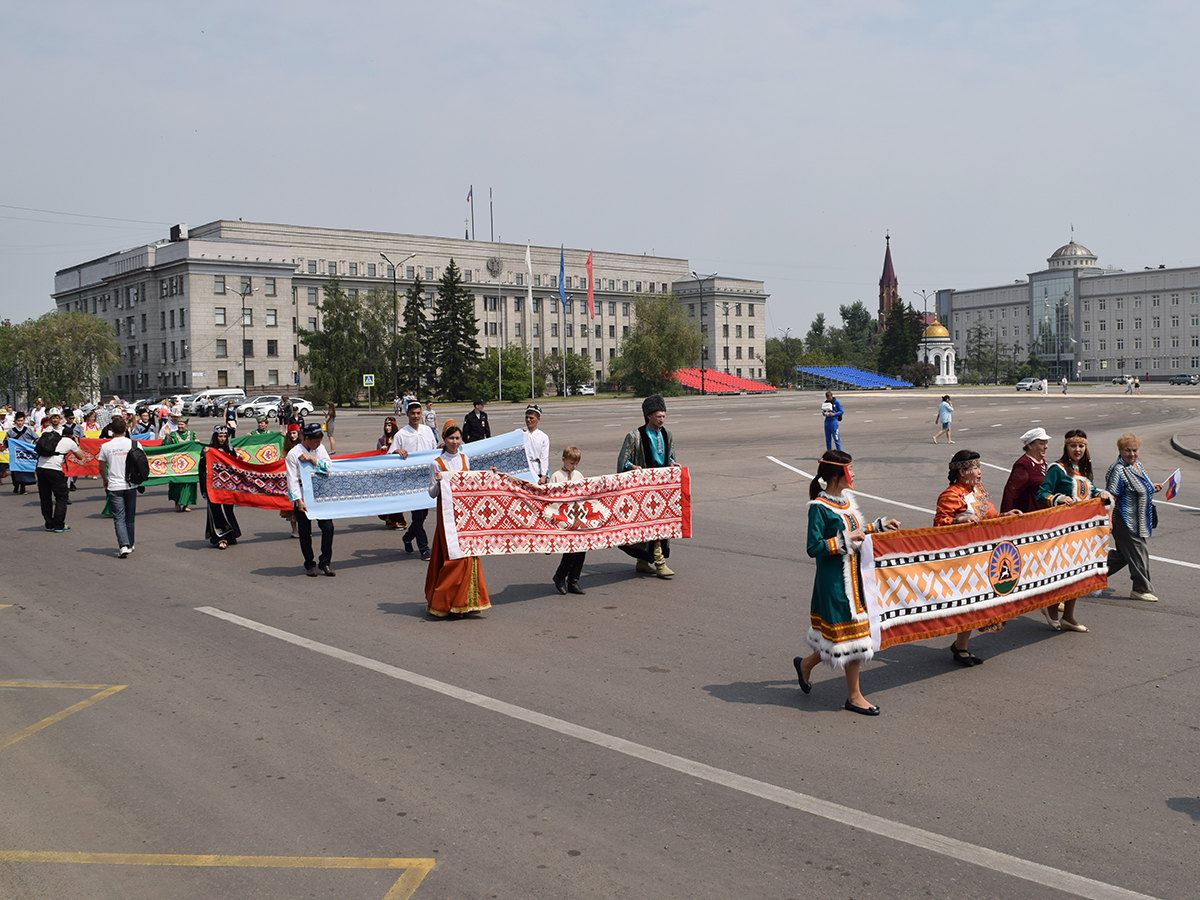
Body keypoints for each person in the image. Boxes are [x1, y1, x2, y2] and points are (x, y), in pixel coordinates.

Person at [793, 450, 901, 715]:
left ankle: (806, 664)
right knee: (853, 636)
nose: (853, 473)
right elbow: (813, 547)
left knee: (841, 636)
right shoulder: (819, 507)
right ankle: (854, 696)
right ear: (836, 475)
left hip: (855, 579)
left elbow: (856, 533)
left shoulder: (846, 501)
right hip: (835, 583)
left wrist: (878, 526)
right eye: (850, 469)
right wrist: (843, 540)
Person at [934, 449, 1023, 664]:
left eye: (979, 467)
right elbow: (938, 525)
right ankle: (960, 647)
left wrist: (1004, 516)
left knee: (978, 602)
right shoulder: (950, 495)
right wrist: (958, 521)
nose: (980, 472)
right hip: (964, 558)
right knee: (969, 602)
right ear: (962, 471)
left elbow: (988, 517)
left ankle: (961, 645)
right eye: (976, 468)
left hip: (984, 555)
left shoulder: (978, 490)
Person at [1036, 430, 1112, 631]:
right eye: (1073, 446)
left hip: (1082, 533)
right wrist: (1058, 498)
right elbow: (1041, 493)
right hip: (1061, 531)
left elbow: (1090, 493)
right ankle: (1051, 608)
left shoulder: (1084, 471)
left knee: (1077, 574)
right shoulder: (1057, 469)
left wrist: (1101, 495)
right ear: (1066, 447)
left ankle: (1068, 617)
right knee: (1060, 573)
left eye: (1081, 446)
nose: (1077, 450)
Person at [425, 423, 490, 616]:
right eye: (451, 438)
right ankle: (445, 601)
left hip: (465, 515)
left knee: (468, 555)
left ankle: (466, 601)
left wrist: (490, 476)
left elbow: (470, 485)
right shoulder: (436, 463)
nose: (455, 442)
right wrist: (438, 483)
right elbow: (432, 493)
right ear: (444, 440)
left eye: (457, 438)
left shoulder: (464, 458)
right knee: (453, 557)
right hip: (447, 516)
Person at [617, 393, 679, 578]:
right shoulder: (635, 436)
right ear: (649, 416)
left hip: (662, 486)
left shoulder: (667, 434)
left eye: (664, 416)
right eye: (658, 416)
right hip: (643, 488)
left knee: (659, 524)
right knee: (652, 525)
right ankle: (660, 563)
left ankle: (643, 561)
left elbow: (670, 456)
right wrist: (633, 467)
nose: (662, 420)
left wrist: (672, 463)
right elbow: (623, 461)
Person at [1105, 433, 1162, 602]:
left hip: (1139, 519)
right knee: (1139, 552)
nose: (1132, 454)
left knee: (1123, 555)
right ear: (1120, 450)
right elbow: (1111, 496)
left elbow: (1140, 485)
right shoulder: (1118, 469)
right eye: (1127, 450)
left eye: (1135, 450)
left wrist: (1151, 487)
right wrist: (1108, 520)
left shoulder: (1138, 466)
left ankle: (1087, 576)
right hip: (1124, 520)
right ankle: (1140, 588)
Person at [287, 422, 335, 576]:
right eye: (315, 441)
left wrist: (313, 459)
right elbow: (292, 479)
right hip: (303, 496)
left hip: (319, 494)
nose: (318, 444)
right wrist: (298, 500)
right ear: (306, 439)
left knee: (328, 528)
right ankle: (309, 564)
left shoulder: (319, 449)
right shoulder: (293, 454)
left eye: (320, 441)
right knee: (305, 532)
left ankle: (325, 562)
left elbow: (328, 467)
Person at [391, 401, 437, 558]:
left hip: (427, 479)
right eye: (412, 413)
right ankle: (424, 548)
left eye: (418, 413)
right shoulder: (401, 434)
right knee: (417, 515)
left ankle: (407, 537)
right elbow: (390, 455)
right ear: (407, 414)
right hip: (410, 482)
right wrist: (397, 452)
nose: (415, 416)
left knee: (423, 515)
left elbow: (434, 451)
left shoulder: (427, 431)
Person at [35, 408, 86, 533]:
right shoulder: (69, 441)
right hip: (54, 469)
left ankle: (49, 524)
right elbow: (81, 457)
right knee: (61, 497)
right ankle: (58, 524)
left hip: (40, 467)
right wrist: (76, 443)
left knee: (45, 497)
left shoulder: (48, 436)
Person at [97, 416, 137, 558]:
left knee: (119, 517)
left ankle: (123, 545)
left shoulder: (106, 446)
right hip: (131, 484)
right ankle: (130, 543)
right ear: (125, 429)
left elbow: (101, 467)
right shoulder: (134, 444)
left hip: (114, 485)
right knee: (130, 516)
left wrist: (105, 479)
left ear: (111, 430)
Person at [550, 446, 587, 595]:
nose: (574, 466)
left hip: (577, 518)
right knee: (570, 549)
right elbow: (551, 497)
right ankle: (560, 576)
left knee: (581, 549)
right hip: (564, 518)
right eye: (571, 463)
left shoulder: (579, 475)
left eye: (576, 464)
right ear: (563, 460)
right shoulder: (556, 476)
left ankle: (573, 581)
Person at [199, 426, 242, 550]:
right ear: (215, 437)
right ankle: (220, 538)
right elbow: (202, 469)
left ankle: (230, 535)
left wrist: (238, 460)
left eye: (224, 436)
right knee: (216, 511)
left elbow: (234, 467)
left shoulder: (230, 450)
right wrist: (204, 487)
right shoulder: (208, 450)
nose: (222, 439)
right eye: (220, 436)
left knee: (228, 510)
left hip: (227, 486)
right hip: (213, 486)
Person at [1001, 427, 1050, 514]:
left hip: (1045, 513)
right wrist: (1006, 514)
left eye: (1046, 443)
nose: (1046, 447)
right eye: (1042, 444)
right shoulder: (1024, 464)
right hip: (1031, 515)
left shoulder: (1043, 462)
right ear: (1030, 445)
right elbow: (1011, 492)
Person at [164, 417, 198, 512]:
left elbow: (195, 447)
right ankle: (177, 502)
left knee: (188, 484)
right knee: (177, 484)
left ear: (186, 425)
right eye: (178, 424)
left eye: (182, 424)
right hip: (177, 464)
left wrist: (196, 442)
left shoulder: (192, 434)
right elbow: (166, 446)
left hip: (189, 464)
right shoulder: (173, 434)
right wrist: (167, 435)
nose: (180, 426)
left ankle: (186, 504)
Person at [4, 411, 36, 494]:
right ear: (15, 420)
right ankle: (16, 486)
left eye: (21, 421)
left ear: (24, 420)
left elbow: (36, 438)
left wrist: (35, 443)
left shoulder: (28, 430)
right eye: (18, 421)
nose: (20, 422)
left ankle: (22, 487)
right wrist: (7, 441)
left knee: (24, 470)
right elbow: (5, 444)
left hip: (25, 454)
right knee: (14, 471)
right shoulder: (11, 432)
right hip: (14, 455)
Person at [280, 425, 301, 538]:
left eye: (294, 433)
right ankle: (295, 530)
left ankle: (304, 528)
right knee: (291, 507)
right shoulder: (286, 448)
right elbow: (281, 461)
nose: (293, 435)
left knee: (303, 505)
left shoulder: (303, 446)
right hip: (289, 478)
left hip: (302, 479)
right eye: (291, 433)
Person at [522, 404, 550, 484]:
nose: (528, 420)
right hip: (523, 471)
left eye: (531, 418)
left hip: (537, 470)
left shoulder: (543, 437)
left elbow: (544, 457)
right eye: (527, 417)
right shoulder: (520, 433)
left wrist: (544, 475)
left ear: (538, 419)